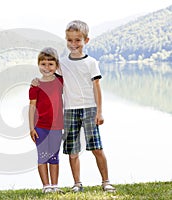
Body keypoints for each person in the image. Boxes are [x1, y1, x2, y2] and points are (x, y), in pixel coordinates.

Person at [61, 20, 116, 192]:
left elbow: (97, 88)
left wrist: (99, 111)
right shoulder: (62, 63)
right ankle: (77, 183)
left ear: (86, 40)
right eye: (70, 40)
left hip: (89, 109)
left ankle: (105, 181)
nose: (73, 44)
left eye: (78, 40)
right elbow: (51, 81)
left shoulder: (91, 62)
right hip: (70, 110)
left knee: (96, 147)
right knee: (73, 149)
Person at [28, 47, 64, 193]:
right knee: (42, 156)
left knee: (54, 156)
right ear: (38, 65)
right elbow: (31, 107)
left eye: (51, 64)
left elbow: (67, 74)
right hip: (40, 127)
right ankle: (46, 186)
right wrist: (31, 128)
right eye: (43, 64)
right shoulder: (35, 85)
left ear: (56, 66)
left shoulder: (60, 81)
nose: (47, 67)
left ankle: (55, 186)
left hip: (56, 127)